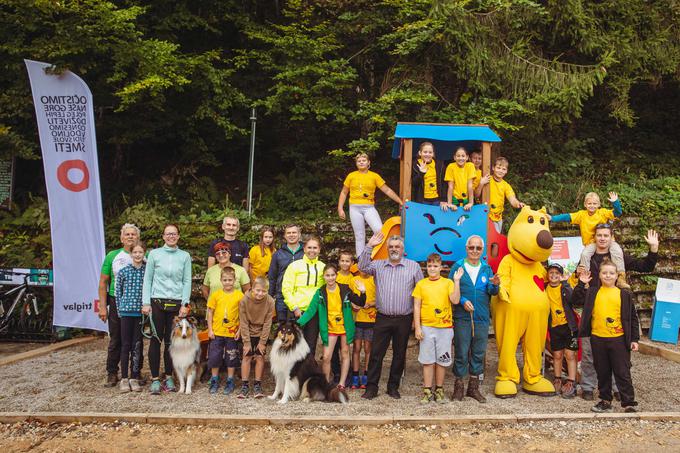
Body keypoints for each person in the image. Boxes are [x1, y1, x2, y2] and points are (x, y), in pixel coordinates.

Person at [575, 225, 658, 401]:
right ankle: (588, 386)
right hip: (593, 310)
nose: (602, 238)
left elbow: (645, 266)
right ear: (594, 237)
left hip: (615, 308)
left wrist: (653, 248)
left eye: (606, 235)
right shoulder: (586, 257)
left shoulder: (618, 256)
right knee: (590, 354)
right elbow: (579, 281)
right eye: (599, 235)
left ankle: (616, 388)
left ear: (612, 237)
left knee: (616, 354)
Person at [358, 232, 424, 399]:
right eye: (391, 246)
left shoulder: (413, 266)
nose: (394, 249)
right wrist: (369, 246)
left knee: (399, 354)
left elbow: (421, 292)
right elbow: (362, 267)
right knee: (376, 354)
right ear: (387, 249)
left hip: (404, 318)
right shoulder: (378, 265)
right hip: (383, 317)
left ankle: (393, 387)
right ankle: (372, 387)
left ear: (403, 250)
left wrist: (418, 320)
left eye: (397, 246)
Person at [575, 259, 640, 413]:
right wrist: (580, 284)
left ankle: (628, 402)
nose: (608, 276)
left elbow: (632, 318)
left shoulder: (624, 294)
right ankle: (605, 400)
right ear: (599, 275)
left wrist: (634, 339)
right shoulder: (592, 292)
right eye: (604, 273)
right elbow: (575, 300)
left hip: (618, 339)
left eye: (611, 273)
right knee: (602, 371)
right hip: (598, 338)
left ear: (617, 275)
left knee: (622, 372)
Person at [298, 264, 367, 389]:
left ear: (336, 275)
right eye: (327, 275)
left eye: (332, 275)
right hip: (329, 328)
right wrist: (297, 324)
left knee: (345, 353)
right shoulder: (320, 293)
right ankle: (325, 383)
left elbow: (360, 302)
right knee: (326, 357)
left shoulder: (345, 289)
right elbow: (310, 311)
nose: (330, 278)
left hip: (344, 327)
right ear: (323, 277)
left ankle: (341, 383)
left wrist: (362, 291)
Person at [141, 224, 192, 395]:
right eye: (168, 234)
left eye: (174, 234)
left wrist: (185, 304)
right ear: (163, 236)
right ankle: (155, 379)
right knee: (156, 340)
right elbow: (147, 280)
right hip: (156, 301)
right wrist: (146, 302)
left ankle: (169, 376)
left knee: (172, 342)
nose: (171, 236)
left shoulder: (185, 256)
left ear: (178, 236)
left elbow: (187, 281)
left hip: (176, 303)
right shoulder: (154, 254)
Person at [448, 235, 499, 403]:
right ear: (466, 248)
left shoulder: (486, 268)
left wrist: (495, 285)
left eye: (478, 248)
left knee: (478, 352)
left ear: (482, 250)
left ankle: (473, 388)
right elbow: (450, 290)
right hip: (462, 317)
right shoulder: (458, 266)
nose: (475, 251)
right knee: (462, 351)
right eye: (472, 247)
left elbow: (491, 291)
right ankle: (459, 386)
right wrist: (462, 301)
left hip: (482, 317)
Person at [549, 192, 627, 288]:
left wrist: (615, 202)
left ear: (598, 205)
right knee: (585, 254)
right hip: (592, 243)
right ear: (585, 204)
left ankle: (621, 277)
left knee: (617, 251)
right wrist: (552, 218)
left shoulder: (602, 212)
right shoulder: (582, 215)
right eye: (589, 204)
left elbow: (617, 212)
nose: (592, 206)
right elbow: (567, 216)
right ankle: (584, 279)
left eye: (594, 204)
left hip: (607, 241)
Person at [98, 223, 141, 387]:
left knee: (136, 340)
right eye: (127, 234)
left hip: (136, 304)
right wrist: (103, 306)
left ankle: (134, 372)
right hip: (116, 300)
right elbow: (103, 282)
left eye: (133, 234)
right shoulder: (112, 256)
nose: (130, 237)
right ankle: (112, 372)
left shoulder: (142, 255)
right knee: (116, 338)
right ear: (121, 238)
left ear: (138, 238)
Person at [337, 153, 403, 256]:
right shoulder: (351, 176)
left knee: (379, 231)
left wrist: (399, 201)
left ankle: (379, 254)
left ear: (368, 163)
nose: (361, 162)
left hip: (369, 207)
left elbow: (387, 190)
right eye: (359, 161)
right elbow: (344, 192)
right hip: (354, 208)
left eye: (364, 160)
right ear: (356, 164)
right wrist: (340, 208)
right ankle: (360, 259)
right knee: (359, 235)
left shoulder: (374, 176)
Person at [413, 253, 455, 404]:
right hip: (427, 327)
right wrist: (417, 327)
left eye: (435, 266)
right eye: (430, 266)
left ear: (441, 267)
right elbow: (417, 306)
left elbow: (455, 300)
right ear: (426, 267)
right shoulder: (421, 284)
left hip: (444, 327)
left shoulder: (448, 283)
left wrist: (456, 281)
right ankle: (427, 390)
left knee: (442, 360)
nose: (432, 268)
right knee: (427, 360)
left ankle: (439, 389)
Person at [282, 237, 325, 356]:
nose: (312, 250)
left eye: (315, 248)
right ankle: (292, 372)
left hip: (314, 312)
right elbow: (286, 289)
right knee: (293, 344)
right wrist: (294, 307)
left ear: (319, 250)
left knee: (310, 345)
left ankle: (307, 372)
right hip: (297, 311)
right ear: (304, 249)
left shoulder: (322, 267)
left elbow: (325, 291)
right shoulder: (294, 266)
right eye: (309, 247)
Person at [114, 241, 146, 393]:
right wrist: (120, 310)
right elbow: (117, 293)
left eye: (140, 252)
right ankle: (124, 378)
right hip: (126, 312)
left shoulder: (147, 271)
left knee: (137, 345)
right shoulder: (123, 271)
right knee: (125, 345)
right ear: (131, 254)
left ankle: (134, 376)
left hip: (140, 313)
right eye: (135, 252)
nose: (138, 255)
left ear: (144, 253)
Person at [206, 267, 244, 395]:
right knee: (214, 357)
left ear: (235, 280)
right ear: (221, 280)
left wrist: (239, 330)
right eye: (225, 280)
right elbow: (210, 312)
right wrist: (210, 329)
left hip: (232, 333)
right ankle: (215, 380)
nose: (228, 282)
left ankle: (230, 380)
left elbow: (243, 314)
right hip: (217, 332)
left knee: (231, 356)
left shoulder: (239, 295)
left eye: (230, 280)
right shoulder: (216, 295)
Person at [237, 277, 275, 398]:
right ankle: (244, 386)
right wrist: (247, 343)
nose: (260, 293)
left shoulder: (270, 301)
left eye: (264, 291)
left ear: (267, 291)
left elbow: (268, 323)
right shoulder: (244, 301)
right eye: (258, 290)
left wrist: (263, 342)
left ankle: (258, 385)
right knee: (246, 356)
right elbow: (243, 322)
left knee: (260, 356)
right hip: (247, 331)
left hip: (261, 332)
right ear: (252, 288)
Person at [545, 263, 578, 399]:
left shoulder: (564, 287)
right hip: (555, 327)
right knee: (557, 355)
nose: (553, 275)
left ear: (561, 275)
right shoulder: (545, 288)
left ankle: (571, 381)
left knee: (570, 355)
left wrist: (567, 284)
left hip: (568, 326)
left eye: (556, 273)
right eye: (551, 273)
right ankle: (557, 379)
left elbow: (573, 300)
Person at [475, 157, 524, 233]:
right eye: (498, 168)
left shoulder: (506, 185)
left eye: (503, 169)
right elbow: (476, 195)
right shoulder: (487, 179)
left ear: (506, 171)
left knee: (495, 243)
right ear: (493, 168)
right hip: (484, 216)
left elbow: (512, 199)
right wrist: (481, 183)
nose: (500, 171)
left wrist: (518, 204)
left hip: (497, 218)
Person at [269, 225, 304, 323]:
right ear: (284, 236)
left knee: (299, 328)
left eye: (294, 232)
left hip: (300, 297)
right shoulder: (278, 254)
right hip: (282, 297)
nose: (291, 235)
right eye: (289, 233)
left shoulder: (306, 252)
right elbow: (272, 277)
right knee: (283, 328)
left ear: (299, 234)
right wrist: (270, 297)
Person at [350, 270, 376, 389]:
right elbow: (348, 297)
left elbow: (380, 298)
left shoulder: (374, 280)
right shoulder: (354, 280)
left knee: (367, 348)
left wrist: (371, 303)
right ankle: (355, 375)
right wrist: (352, 305)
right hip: (357, 319)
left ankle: (366, 375)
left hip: (371, 320)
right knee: (356, 347)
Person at [411, 142, 448, 209]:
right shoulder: (415, 165)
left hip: (437, 200)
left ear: (433, 154)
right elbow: (413, 184)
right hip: (422, 200)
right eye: (425, 152)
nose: (427, 154)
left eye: (430, 152)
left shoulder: (440, 165)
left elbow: (444, 183)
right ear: (420, 153)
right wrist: (421, 173)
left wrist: (443, 200)